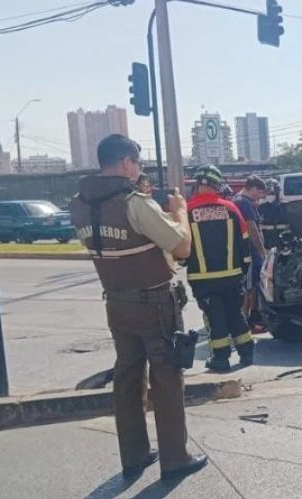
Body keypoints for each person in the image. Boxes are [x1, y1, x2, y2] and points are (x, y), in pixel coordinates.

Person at [69, 134, 207, 482]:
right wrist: (180, 212)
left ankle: (134, 454)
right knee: (167, 376)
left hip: (116, 302)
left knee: (127, 377)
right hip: (154, 303)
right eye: (138, 163)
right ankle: (175, 457)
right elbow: (181, 248)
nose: (139, 170)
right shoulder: (135, 203)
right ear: (127, 161)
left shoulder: (79, 203)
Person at [186, 164, 255, 372]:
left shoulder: (188, 211)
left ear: (197, 184)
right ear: (217, 185)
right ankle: (247, 353)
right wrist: (242, 270)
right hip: (232, 277)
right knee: (235, 313)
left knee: (214, 318)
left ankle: (221, 359)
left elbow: (182, 247)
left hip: (203, 280)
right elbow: (245, 242)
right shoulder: (231, 209)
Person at [232, 175, 269, 333]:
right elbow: (253, 229)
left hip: (246, 251)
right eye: (259, 192)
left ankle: (251, 320)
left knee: (252, 287)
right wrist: (262, 251)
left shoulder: (240, 201)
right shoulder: (243, 203)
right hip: (249, 252)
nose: (259, 197)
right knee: (247, 289)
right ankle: (244, 324)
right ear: (253, 188)